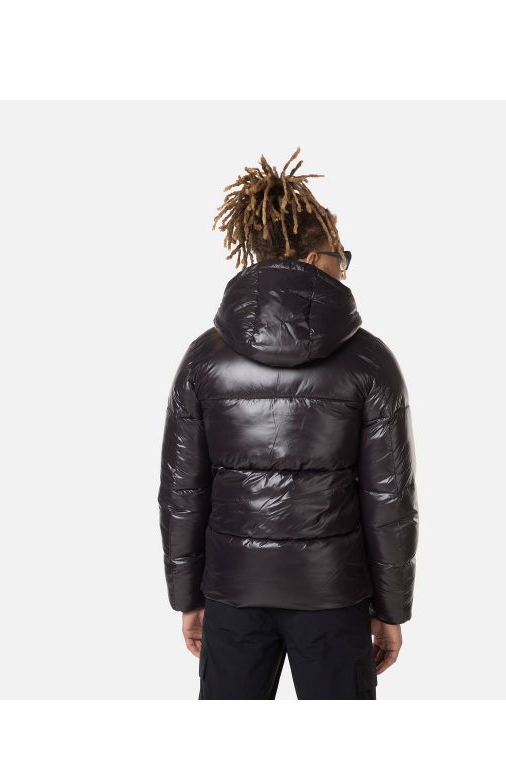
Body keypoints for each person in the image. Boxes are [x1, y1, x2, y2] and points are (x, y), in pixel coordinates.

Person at [157, 147, 419, 700]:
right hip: (333, 594)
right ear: (315, 257)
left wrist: (188, 598)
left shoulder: (203, 359)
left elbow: (182, 491)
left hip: (232, 590)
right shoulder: (371, 361)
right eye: (341, 256)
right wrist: (391, 609)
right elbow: (389, 499)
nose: (344, 267)